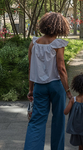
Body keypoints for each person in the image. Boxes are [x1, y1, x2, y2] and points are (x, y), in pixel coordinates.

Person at [24, 12, 73, 150]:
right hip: (56, 86)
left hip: (39, 86)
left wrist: (31, 89)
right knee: (58, 120)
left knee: (36, 121)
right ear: (60, 27)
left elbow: (30, 68)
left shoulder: (33, 43)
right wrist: (68, 92)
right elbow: (61, 69)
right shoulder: (57, 44)